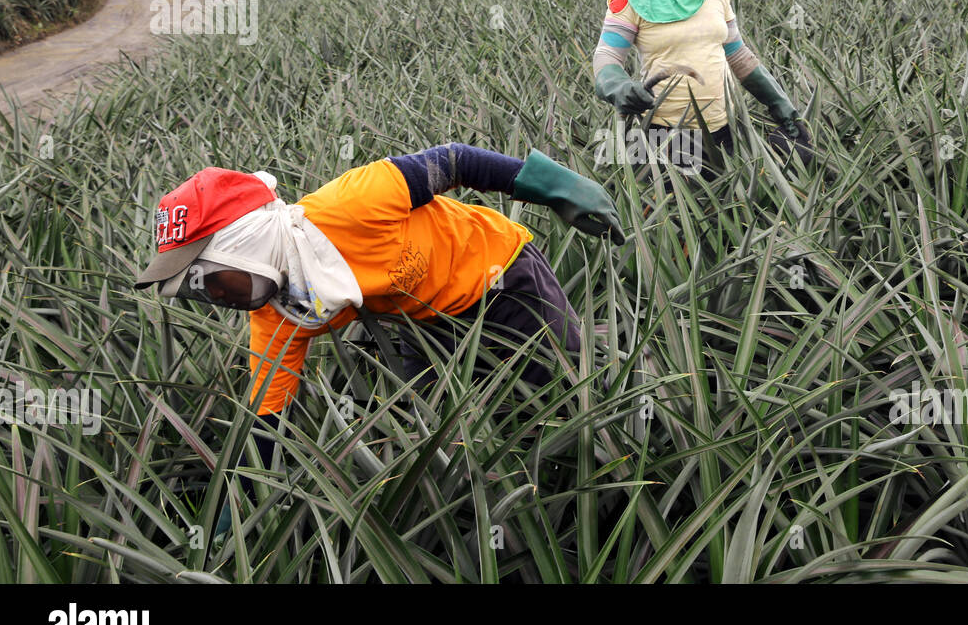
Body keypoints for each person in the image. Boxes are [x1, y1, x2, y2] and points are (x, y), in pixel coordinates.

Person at [133, 143, 623, 523]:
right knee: (434, 434)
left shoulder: (352, 204)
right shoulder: (277, 314)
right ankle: (488, 510)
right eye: (201, 292)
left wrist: (555, 184)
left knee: (559, 397)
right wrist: (240, 501)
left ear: (249, 244)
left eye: (215, 279)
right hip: (421, 321)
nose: (218, 299)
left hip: (500, 278)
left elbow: (454, 161)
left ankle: (608, 477)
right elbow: (268, 414)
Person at [591, 0, 811, 181]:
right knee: (674, 218)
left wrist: (781, 105)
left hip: (725, 130)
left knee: (729, 213)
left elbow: (739, 56)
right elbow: (606, 56)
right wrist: (618, 87)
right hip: (667, 137)